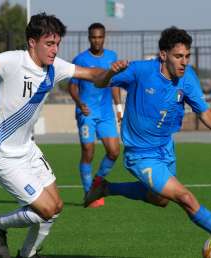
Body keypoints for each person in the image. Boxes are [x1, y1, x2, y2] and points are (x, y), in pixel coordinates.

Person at [84, 26, 211, 258]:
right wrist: (109, 73)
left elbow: (204, 113)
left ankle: (106, 187)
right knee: (185, 198)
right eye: (178, 56)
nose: (184, 62)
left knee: (160, 200)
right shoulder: (140, 71)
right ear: (163, 55)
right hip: (140, 154)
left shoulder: (188, 78)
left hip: (165, 149)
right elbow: (99, 83)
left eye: (187, 56)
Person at [0, 13, 127, 258]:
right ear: (32, 42)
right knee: (46, 209)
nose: (55, 50)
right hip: (1, 154)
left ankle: (27, 254)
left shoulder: (56, 67)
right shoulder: (13, 61)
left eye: (57, 44)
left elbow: (93, 75)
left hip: (28, 150)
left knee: (56, 207)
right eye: (49, 44)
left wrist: (109, 73)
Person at [68, 22, 122, 208]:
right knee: (88, 151)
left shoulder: (112, 57)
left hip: (106, 113)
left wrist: (119, 109)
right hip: (87, 113)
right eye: (93, 37)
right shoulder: (80, 59)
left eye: (100, 37)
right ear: (89, 38)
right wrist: (79, 103)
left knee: (114, 152)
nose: (97, 40)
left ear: (104, 37)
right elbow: (72, 86)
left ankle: (96, 184)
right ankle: (88, 193)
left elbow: (114, 85)